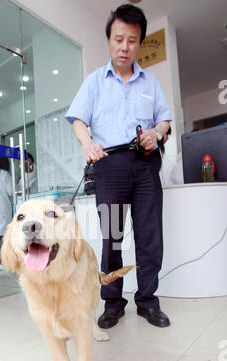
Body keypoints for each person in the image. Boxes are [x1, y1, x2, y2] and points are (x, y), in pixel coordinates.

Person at [66, 4, 172, 329]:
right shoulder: (95, 82)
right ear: (109, 41)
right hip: (109, 167)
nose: (125, 47)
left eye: (132, 40)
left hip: (144, 167)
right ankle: (113, 302)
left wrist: (156, 132)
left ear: (140, 43)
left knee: (149, 236)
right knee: (111, 237)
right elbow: (78, 121)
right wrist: (88, 144)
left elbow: (165, 120)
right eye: (118, 39)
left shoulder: (150, 82)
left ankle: (147, 301)